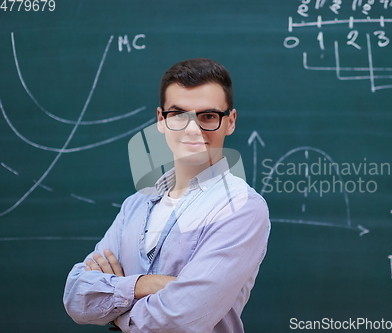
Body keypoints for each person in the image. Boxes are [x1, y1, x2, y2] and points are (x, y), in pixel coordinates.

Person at [63, 58, 271, 333]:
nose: (193, 130)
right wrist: (144, 285)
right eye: (179, 115)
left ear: (229, 122)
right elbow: (76, 295)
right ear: (161, 121)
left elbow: (181, 319)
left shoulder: (242, 208)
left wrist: (115, 312)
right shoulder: (134, 206)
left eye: (208, 116)